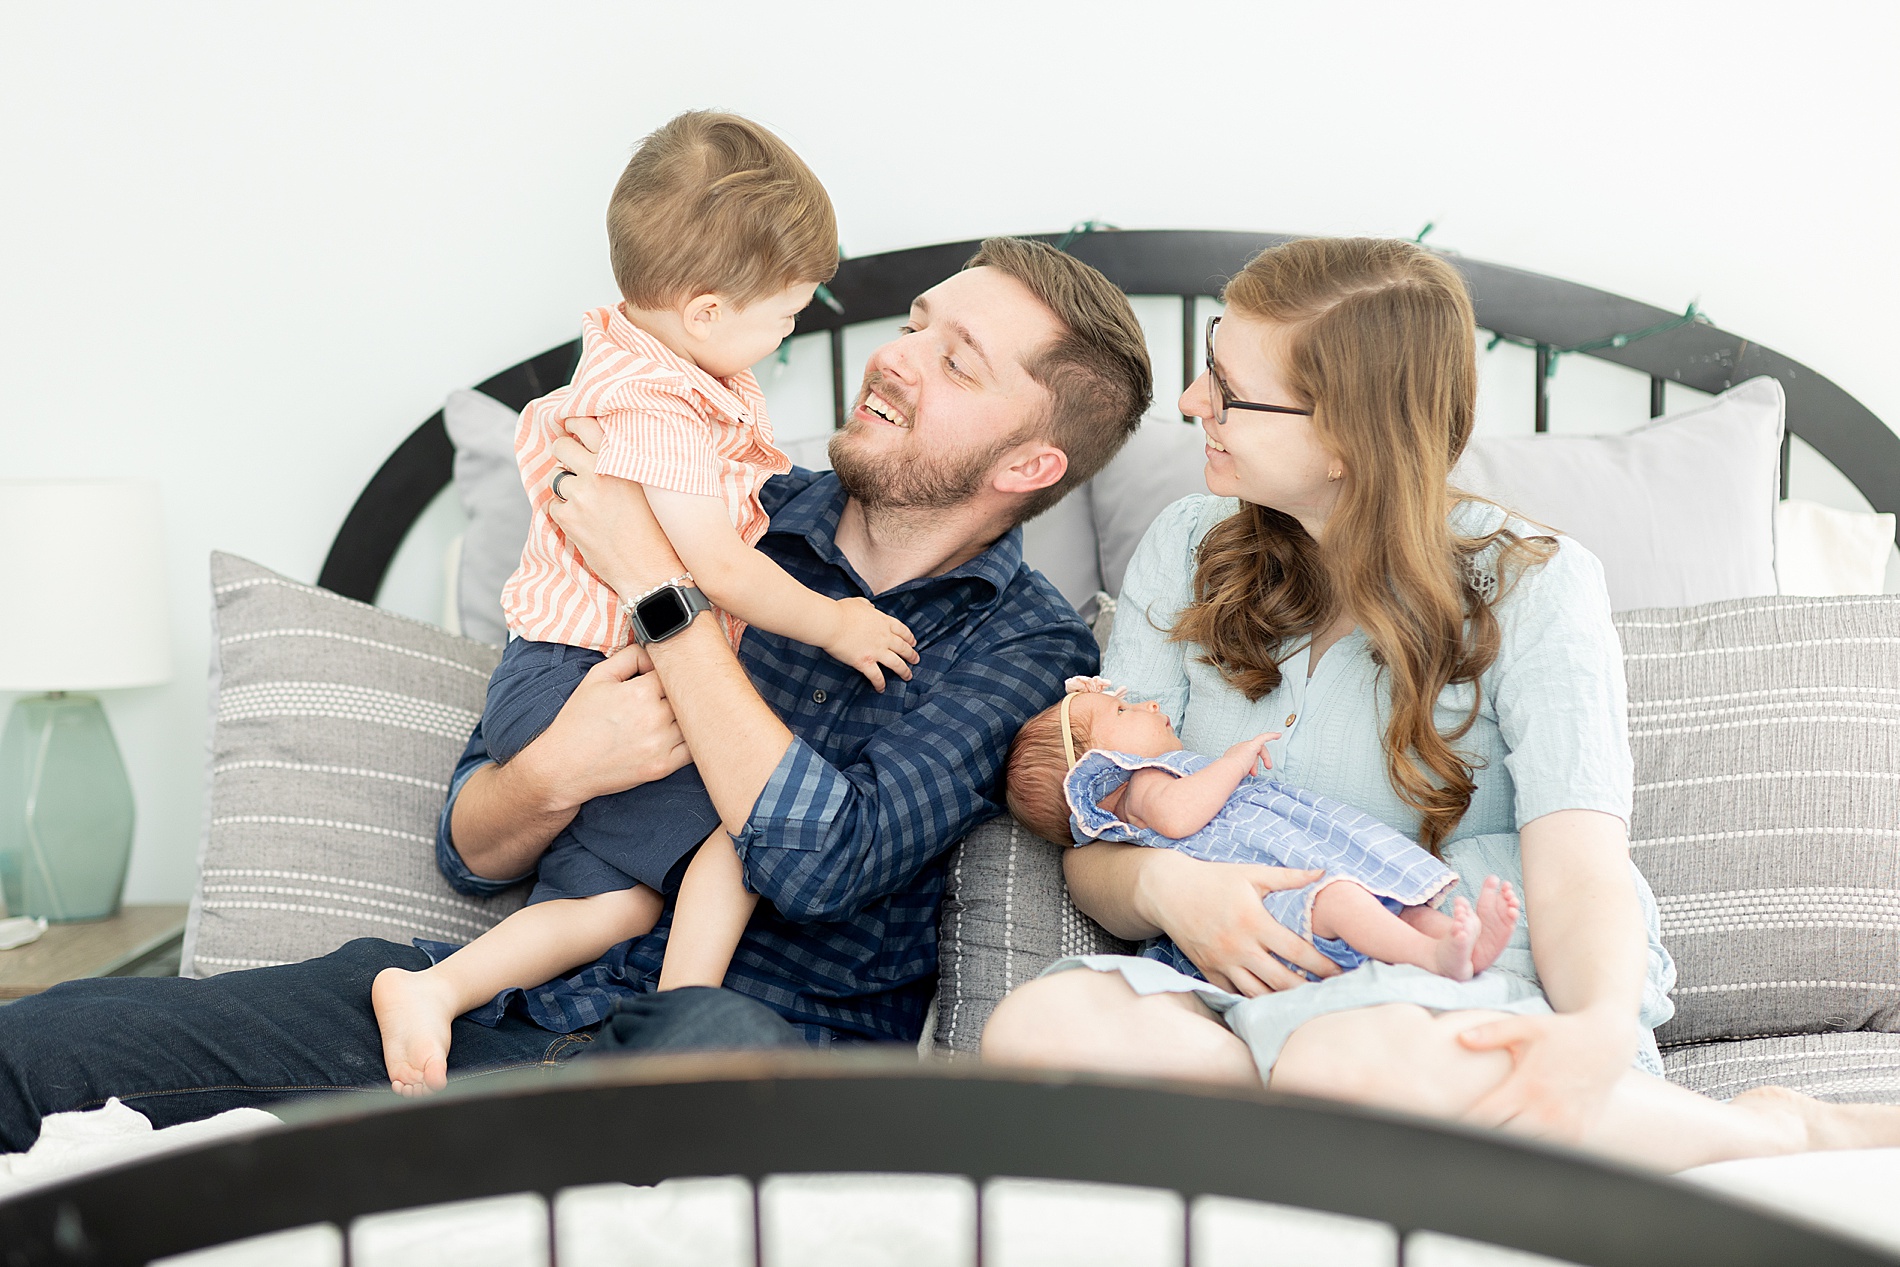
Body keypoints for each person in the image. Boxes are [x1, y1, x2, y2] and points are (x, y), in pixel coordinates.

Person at [0, 235, 1153, 1152]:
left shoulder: (1021, 647)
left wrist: (663, 589)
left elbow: (818, 859)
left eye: (957, 363)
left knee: (714, 1063)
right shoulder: (716, 495)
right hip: (499, 1013)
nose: (897, 357)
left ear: (1028, 466)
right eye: (915, 324)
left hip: (727, 1057)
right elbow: (471, 846)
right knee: (36, 1050)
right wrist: (558, 770)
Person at [981, 236, 1900, 1171]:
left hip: (1452, 984)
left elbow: (1583, 865)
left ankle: (1774, 1129)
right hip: (1237, 992)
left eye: (1228, 388)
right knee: (1040, 1027)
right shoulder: (1187, 546)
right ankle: (1325, 1140)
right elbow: (1102, 839)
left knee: (1347, 1060)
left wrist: (1592, 1029)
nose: (1191, 404)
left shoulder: (1536, 586)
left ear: (1346, 438)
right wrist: (1168, 886)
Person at [370, 110, 920, 1097]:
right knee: (737, 838)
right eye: (789, 309)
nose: (797, 326)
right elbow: (720, 565)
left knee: (613, 898)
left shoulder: (652, 371)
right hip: (576, 679)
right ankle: (668, 1039)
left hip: (574, 672)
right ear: (706, 312)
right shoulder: (653, 411)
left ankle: (448, 994)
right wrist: (836, 622)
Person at [1004, 677, 1520, 983]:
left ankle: (1461, 949)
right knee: (1340, 899)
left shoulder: (1154, 776)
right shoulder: (1142, 790)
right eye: (1124, 710)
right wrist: (1231, 761)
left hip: (1291, 858)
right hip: (1269, 892)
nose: (1149, 704)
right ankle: (1430, 954)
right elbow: (1181, 817)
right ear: (1098, 772)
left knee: (1380, 897)